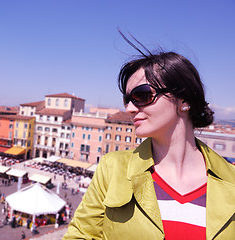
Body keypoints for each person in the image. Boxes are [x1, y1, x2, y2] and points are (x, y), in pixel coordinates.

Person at [63, 36, 235, 239]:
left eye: (142, 95)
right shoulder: (112, 168)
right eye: (127, 100)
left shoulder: (230, 179)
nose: (129, 108)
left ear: (184, 100)